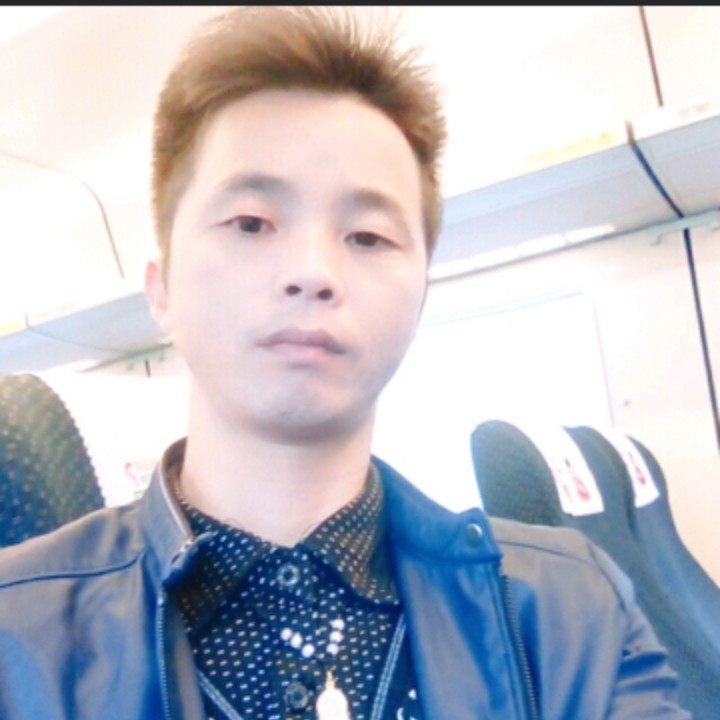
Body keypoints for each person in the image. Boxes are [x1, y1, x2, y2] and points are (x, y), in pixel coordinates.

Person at [0, 7, 690, 719]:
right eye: (251, 223)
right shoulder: (18, 633)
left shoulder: (572, 610)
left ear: (420, 296)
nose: (312, 271)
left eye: (366, 236)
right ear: (162, 288)